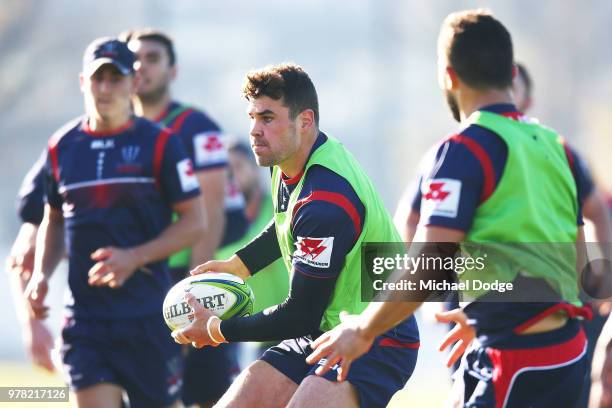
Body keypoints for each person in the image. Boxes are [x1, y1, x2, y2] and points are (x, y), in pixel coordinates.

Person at [308, 10, 593, 407]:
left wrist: (363, 329)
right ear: (512, 73)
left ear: (448, 76)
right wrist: (493, 308)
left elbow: (430, 263)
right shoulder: (556, 147)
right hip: (568, 356)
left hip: (512, 363)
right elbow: (579, 266)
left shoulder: (463, 150)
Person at [172, 63, 420, 408]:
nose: (255, 131)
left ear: (305, 121)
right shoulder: (292, 158)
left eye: (268, 118)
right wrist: (239, 265)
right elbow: (287, 224)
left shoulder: (325, 201)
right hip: (321, 328)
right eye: (252, 117)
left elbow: (298, 314)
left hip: (375, 334)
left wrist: (217, 330)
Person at [24, 37, 204, 408]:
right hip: (86, 321)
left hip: (148, 317)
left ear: (134, 83)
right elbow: (54, 219)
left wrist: (134, 257)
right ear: (82, 82)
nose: (105, 89)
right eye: (97, 79)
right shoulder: (62, 146)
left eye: (115, 78)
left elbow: (194, 222)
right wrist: (41, 274)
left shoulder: (161, 144)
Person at [123, 28, 246, 407]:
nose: (141, 66)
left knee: (208, 393)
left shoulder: (198, 128)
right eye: (134, 59)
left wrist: (196, 294)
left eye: (153, 58)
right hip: (138, 282)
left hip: (188, 279)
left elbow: (210, 214)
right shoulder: (116, 131)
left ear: (172, 71)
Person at [6, 151, 55, 372]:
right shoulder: (70, 145)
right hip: (90, 324)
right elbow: (22, 254)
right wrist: (32, 324)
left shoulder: (168, 140)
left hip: (160, 306)